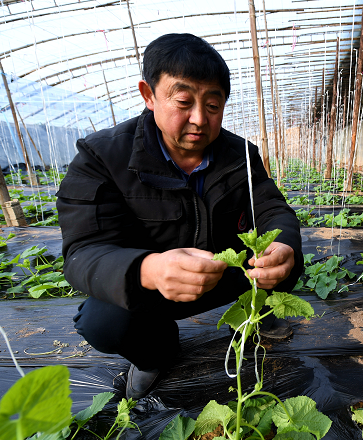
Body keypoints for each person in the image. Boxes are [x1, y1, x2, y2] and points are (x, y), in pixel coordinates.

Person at [56, 33, 303, 399]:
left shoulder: (240, 155)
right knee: (103, 323)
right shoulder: (101, 158)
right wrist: (149, 269)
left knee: (286, 260)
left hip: (227, 272)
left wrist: (283, 242)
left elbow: (271, 208)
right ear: (148, 94)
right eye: (184, 101)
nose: (199, 119)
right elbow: (83, 252)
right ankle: (154, 353)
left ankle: (254, 315)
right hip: (153, 288)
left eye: (213, 106)